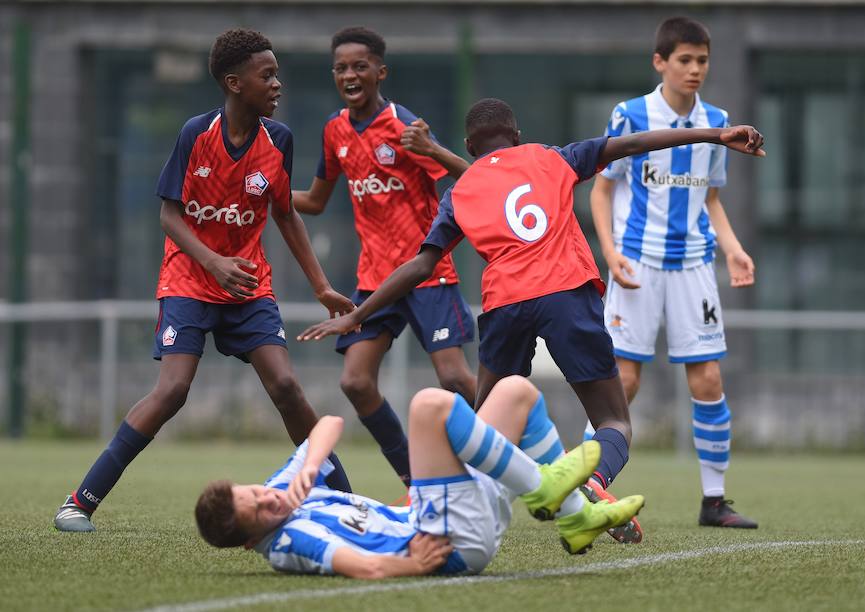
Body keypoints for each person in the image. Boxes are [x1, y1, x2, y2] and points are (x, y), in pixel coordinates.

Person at [299, 97, 765, 544]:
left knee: (485, 425)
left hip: (505, 306)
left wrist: (358, 314)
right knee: (613, 422)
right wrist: (715, 135)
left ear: (468, 149)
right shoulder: (552, 158)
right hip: (566, 294)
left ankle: (433, 509)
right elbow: (633, 144)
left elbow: (421, 265)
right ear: (518, 136)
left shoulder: (461, 190)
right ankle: (593, 483)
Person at [53, 29, 355, 533]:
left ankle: (345, 499)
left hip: (247, 287)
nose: (277, 84)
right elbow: (170, 215)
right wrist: (213, 262)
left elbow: (286, 215)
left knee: (285, 383)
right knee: (172, 391)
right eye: (267, 76)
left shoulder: (278, 140)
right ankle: (80, 501)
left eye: (276, 74)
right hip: (189, 281)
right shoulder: (197, 133)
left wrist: (321, 286)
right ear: (235, 84)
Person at [195, 375, 646, 576]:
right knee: (429, 406)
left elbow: (328, 424)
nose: (266, 500)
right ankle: (546, 489)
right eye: (257, 511)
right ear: (253, 540)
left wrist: (310, 466)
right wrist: (410, 565)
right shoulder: (288, 544)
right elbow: (363, 566)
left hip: (444, 516)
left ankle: (577, 518)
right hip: (443, 539)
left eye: (253, 492)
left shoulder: (283, 491)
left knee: (516, 392)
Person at [587, 16, 758, 529]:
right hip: (636, 262)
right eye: (684, 59)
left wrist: (732, 249)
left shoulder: (718, 121)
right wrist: (610, 253)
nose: (695, 69)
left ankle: (714, 501)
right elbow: (601, 188)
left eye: (702, 60)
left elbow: (709, 198)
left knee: (707, 379)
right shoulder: (631, 115)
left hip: (693, 267)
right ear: (660, 62)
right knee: (623, 381)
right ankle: (586, 487)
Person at [290, 27, 477, 487]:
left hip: (426, 272)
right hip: (375, 278)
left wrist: (433, 149)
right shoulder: (335, 130)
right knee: (355, 382)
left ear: (380, 72)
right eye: (341, 68)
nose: (350, 75)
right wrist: (267, 193)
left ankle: (518, 450)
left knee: (454, 377)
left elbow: (471, 177)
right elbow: (315, 200)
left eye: (360, 66)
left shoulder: (402, 126)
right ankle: (416, 480)